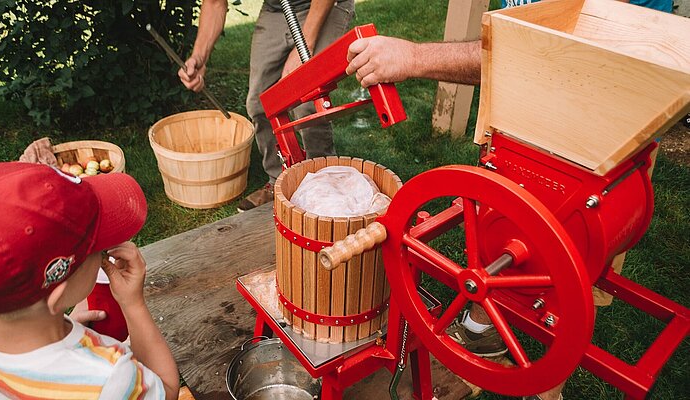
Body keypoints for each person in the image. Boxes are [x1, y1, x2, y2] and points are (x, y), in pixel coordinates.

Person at [345, 1, 672, 400]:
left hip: (598, 132)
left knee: (570, 273)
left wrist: (413, 56)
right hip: (538, 131)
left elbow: (556, 57)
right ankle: (484, 331)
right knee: (526, 244)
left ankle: (544, 378)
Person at [0, 162, 179, 400]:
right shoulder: (108, 377)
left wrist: (63, 322)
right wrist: (133, 304)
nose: (101, 252)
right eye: (94, 248)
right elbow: (166, 390)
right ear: (58, 296)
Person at [179, 0, 355, 212]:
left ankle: (324, 186)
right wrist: (199, 56)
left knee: (306, 100)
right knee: (260, 103)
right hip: (277, 8)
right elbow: (215, 3)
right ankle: (278, 181)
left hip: (323, 5)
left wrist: (304, 45)